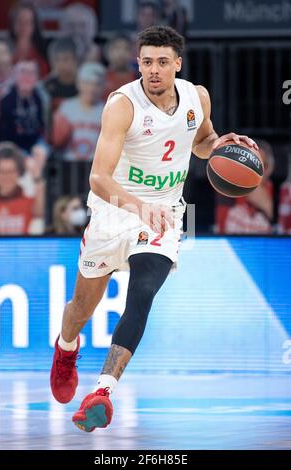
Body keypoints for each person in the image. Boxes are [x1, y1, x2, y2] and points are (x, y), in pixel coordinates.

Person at [50, 25, 257, 432]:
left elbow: (200, 139)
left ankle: (102, 391)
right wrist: (138, 207)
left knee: (142, 293)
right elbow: (98, 178)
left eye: (163, 62)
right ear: (138, 64)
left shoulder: (197, 97)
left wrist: (217, 145)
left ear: (177, 64)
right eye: (147, 62)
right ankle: (66, 347)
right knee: (80, 310)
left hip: (164, 213)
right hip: (114, 210)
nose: (154, 70)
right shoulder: (122, 104)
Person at [215, 139, 274, 234]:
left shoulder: (269, 186)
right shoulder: (229, 182)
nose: (261, 171)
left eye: (265, 166)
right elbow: (223, 227)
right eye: (256, 165)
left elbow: (272, 220)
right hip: (228, 242)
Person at [52, 62, 105, 161]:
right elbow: (56, 142)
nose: (91, 89)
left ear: (103, 86)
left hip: (94, 167)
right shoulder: (66, 107)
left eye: (96, 84)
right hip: (68, 165)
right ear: (78, 83)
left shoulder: (108, 110)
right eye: (87, 83)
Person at [0, 141, 44, 234]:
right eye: (2, 171)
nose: (7, 177)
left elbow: (41, 212)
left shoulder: (28, 202)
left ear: (19, 172)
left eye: (11, 171)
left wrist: (37, 176)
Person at [9, 1, 49, 78]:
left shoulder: (43, 52)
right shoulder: (2, 50)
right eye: (19, 21)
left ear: (34, 25)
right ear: (12, 23)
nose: (23, 26)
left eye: (27, 22)